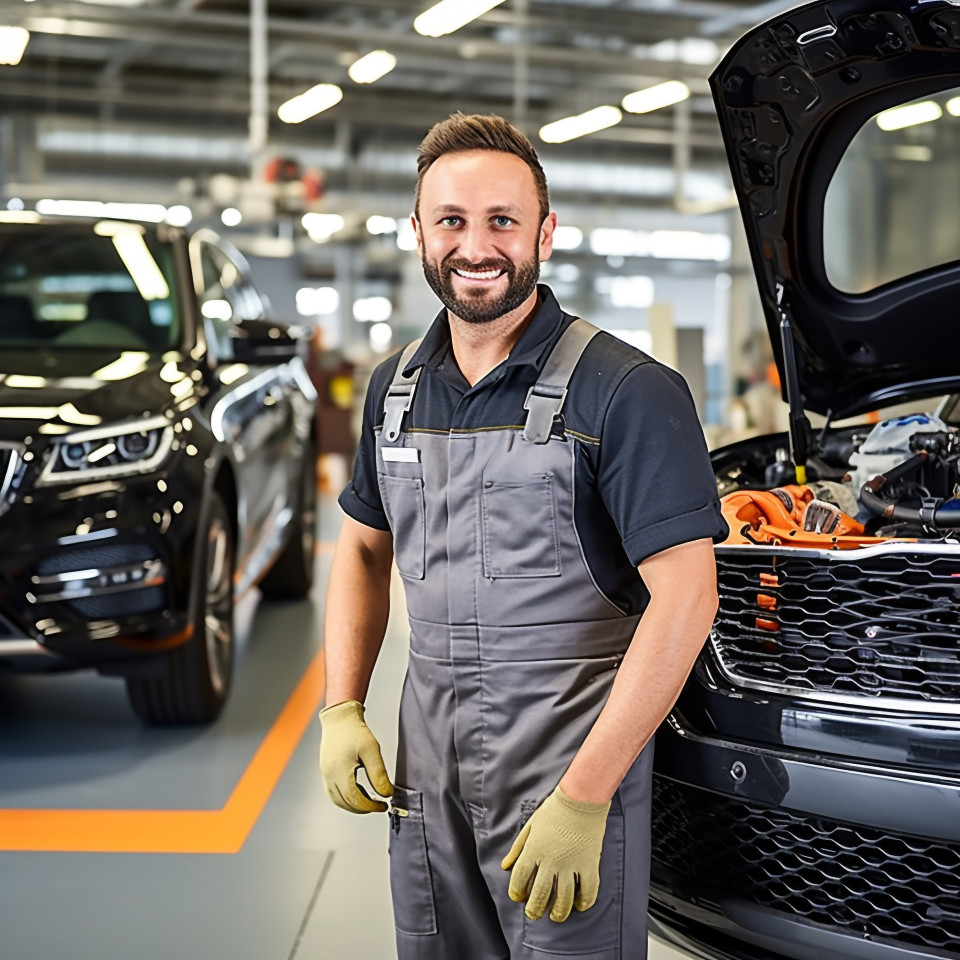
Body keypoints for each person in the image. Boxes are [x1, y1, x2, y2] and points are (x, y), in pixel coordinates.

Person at [319, 112, 726, 960]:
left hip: (565, 767)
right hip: (426, 771)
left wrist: (586, 795)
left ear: (544, 232)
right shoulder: (394, 390)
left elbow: (687, 598)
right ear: (420, 233)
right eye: (453, 221)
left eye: (503, 220)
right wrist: (342, 704)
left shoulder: (628, 391)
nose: (477, 246)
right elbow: (362, 545)